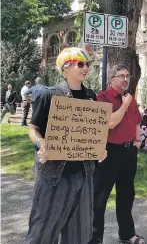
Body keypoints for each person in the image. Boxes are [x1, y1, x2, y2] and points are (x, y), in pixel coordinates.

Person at [24, 47, 106, 244]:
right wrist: (41, 143)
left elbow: (91, 132)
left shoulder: (90, 97)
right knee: (42, 233)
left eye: (88, 64)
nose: (86, 68)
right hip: (55, 175)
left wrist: (99, 148)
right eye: (80, 64)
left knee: (80, 235)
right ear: (65, 67)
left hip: (84, 175)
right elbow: (33, 129)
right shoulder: (49, 95)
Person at [90, 65, 144, 244]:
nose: (126, 79)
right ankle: (95, 238)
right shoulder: (103, 98)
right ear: (111, 78)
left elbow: (136, 122)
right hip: (109, 152)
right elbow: (109, 123)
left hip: (129, 152)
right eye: (121, 76)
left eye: (127, 76)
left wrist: (137, 143)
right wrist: (125, 105)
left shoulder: (131, 100)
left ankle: (127, 234)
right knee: (100, 197)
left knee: (127, 195)